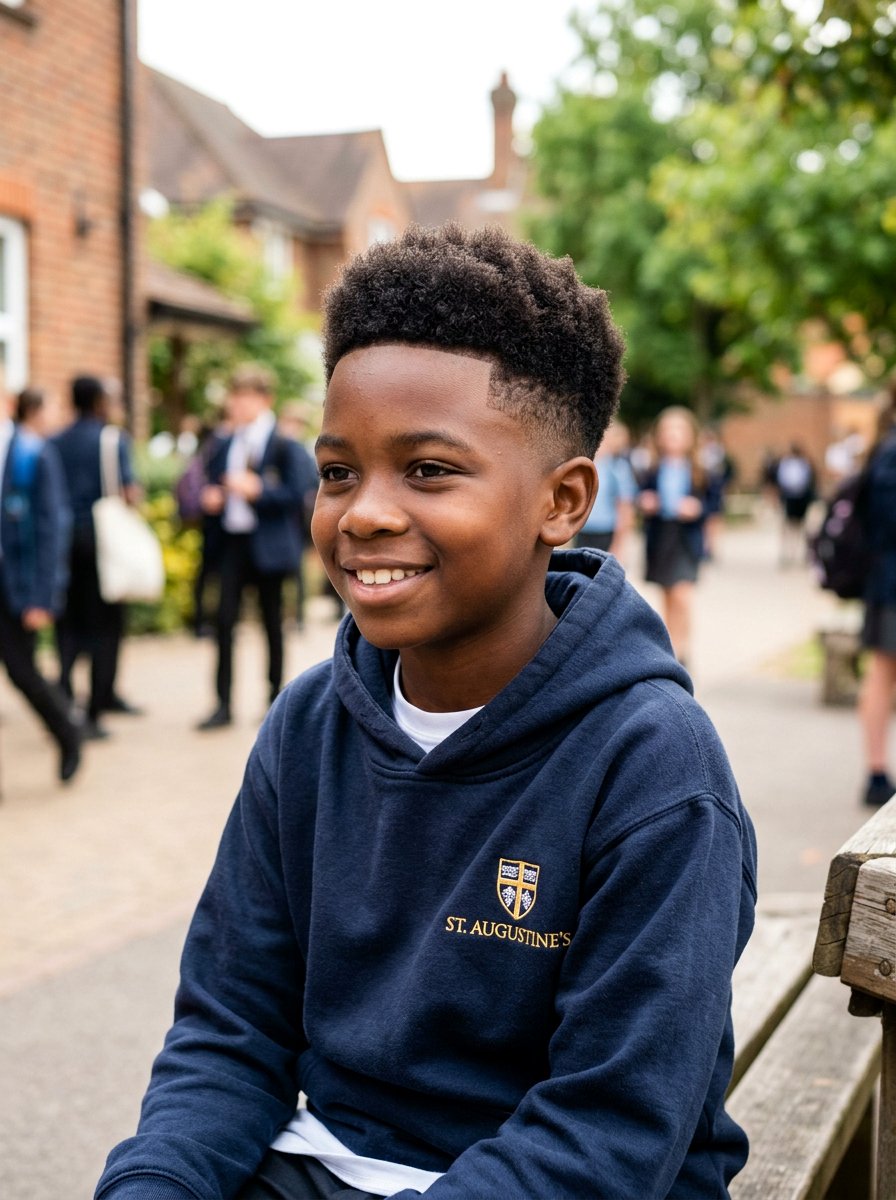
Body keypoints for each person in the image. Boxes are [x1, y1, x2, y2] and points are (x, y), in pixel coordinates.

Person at [95, 225, 756, 1200]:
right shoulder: (309, 724)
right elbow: (229, 1033)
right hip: (314, 1166)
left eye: (429, 470)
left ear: (561, 501)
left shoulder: (651, 767)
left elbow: (609, 1132)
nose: (362, 512)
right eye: (336, 472)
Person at [196, 364, 307, 730]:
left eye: (245, 397)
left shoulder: (283, 444)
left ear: (264, 400)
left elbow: (296, 494)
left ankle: (275, 699)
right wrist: (210, 497)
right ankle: (222, 703)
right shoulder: (224, 442)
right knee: (224, 622)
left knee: (272, 624)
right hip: (231, 544)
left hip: (268, 548)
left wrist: (259, 490)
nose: (237, 404)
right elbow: (211, 483)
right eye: (235, 396)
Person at [52, 375, 143, 738]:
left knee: (69, 623)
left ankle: (62, 699)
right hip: (102, 541)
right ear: (99, 400)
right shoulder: (111, 438)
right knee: (105, 624)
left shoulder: (54, 440)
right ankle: (95, 708)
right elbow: (128, 490)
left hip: (64, 541)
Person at [1, 389, 81, 782]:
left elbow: (52, 529)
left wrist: (42, 597)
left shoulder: (32, 454)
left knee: (22, 672)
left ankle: (67, 733)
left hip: (15, 586)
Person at [638, 405, 720, 666]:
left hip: (686, 537)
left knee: (683, 595)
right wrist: (646, 502)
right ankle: (669, 649)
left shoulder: (700, 470)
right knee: (667, 595)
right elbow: (640, 497)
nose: (673, 435)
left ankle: (682, 651)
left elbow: (713, 505)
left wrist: (698, 509)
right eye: (668, 430)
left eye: (679, 430)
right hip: (662, 535)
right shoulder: (651, 469)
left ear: (690, 437)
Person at [858, 386, 896, 807]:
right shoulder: (890, 451)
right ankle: (876, 772)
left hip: (887, 580)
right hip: (889, 584)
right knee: (882, 675)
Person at [574, 418, 637, 559]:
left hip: (605, 530)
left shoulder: (618, 468)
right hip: (582, 528)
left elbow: (625, 507)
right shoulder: (583, 463)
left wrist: (618, 544)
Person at [772, 443, 816, 566]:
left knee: (801, 525)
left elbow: (810, 481)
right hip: (789, 496)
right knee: (789, 525)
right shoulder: (786, 464)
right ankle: (789, 552)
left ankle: (802, 552)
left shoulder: (804, 464)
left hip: (801, 497)